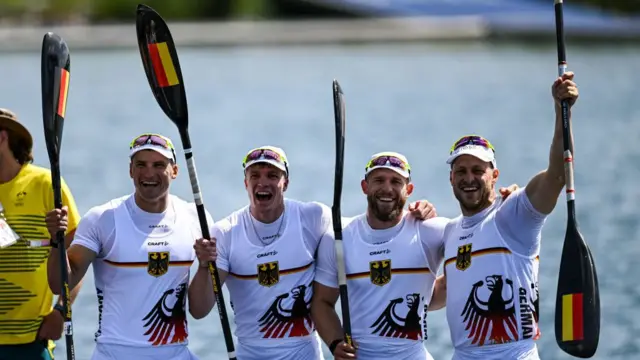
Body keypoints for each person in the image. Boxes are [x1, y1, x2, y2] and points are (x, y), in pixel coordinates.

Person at [188, 146, 438, 360]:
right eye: (255, 175)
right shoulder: (225, 232)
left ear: (285, 182)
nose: (263, 182)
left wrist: (413, 213)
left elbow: (371, 230)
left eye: (272, 175)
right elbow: (199, 310)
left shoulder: (314, 218)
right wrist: (203, 266)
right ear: (246, 183)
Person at [310, 152, 517, 360]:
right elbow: (322, 302)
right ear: (365, 186)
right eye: (379, 180)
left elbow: (483, 236)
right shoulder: (338, 239)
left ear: (408, 190)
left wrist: (505, 207)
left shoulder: (431, 230)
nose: (387, 188)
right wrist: (335, 343)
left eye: (396, 182)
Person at [434, 72, 580, 360]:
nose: (469, 178)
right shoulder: (450, 231)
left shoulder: (514, 213)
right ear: (451, 179)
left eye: (478, 171)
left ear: (494, 175)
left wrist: (561, 112)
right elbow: (445, 290)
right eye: (461, 172)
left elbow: (557, 175)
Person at [45, 133, 210, 360]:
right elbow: (59, 284)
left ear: (175, 171)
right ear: (131, 170)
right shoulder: (103, 219)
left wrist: (204, 267)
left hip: (176, 354)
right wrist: (57, 242)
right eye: (141, 165)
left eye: (158, 165)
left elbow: (199, 311)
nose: (149, 173)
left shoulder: (196, 219)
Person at [0, 108, 82, 360]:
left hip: (33, 340)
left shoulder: (46, 184)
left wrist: (61, 310)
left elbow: (77, 260)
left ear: (2, 137)